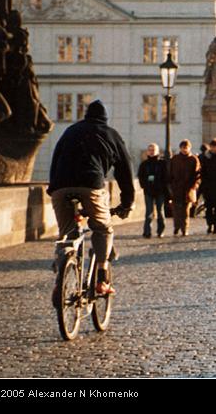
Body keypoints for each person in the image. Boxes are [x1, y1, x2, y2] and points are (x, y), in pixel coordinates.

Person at [48, 100, 133, 296]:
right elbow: (124, 172)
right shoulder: (111, 134)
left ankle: (59, 280)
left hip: (61, 186)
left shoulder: (70, 131)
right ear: (105, 118)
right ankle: (102, 278)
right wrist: (126, 203)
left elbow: (55, 158)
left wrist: (54, 189)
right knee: (103, 228)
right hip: (91, 184)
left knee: (66, 235)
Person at [169, 139, 201, 237]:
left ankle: (184, 229)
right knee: (176, 210)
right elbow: (170, 173)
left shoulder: (194, 159)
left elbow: (198, 175)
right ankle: (176, 227)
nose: (184, 150)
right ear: (180, 148)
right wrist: (171, 185)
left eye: (186, 148)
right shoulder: (175, 159)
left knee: (186, 211)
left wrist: (194, 186)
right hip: (176, 188)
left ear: (189, 148)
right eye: (183, 148)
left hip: (188, 189)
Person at [137, 143, 169, 238]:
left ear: (157, 151)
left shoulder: (162, 163)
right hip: (148, 191)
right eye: (150, 150)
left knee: (160, 212)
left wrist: (162, 187)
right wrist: (144, 186)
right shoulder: (144, 164)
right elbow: (140, 176)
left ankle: (160, 231)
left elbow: (166, 177)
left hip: (160, 191)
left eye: (153, 150)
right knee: (148, 213)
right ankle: (147, 232)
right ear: (147, 151)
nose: (151, 152)